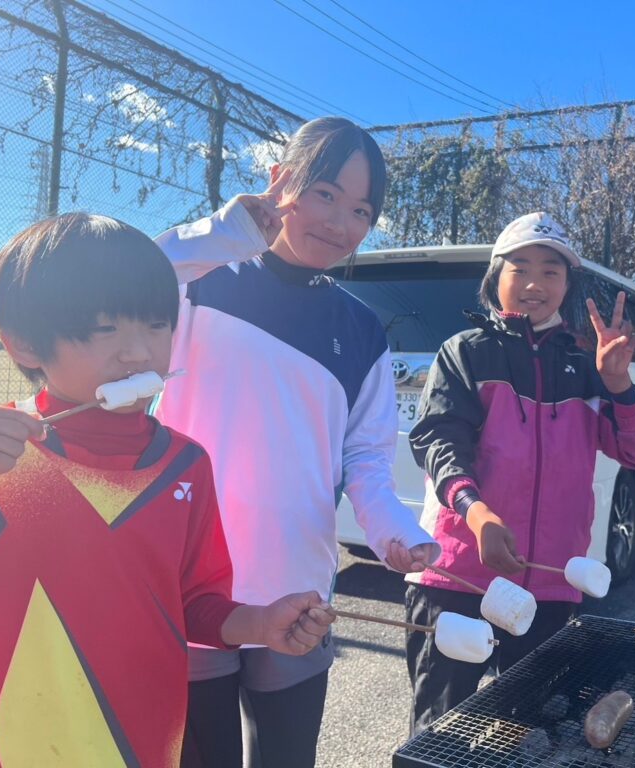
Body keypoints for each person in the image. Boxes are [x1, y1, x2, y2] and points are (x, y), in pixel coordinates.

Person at [0, 213, 335, 767]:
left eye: (156, 325)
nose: (138, 353)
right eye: (106, 329)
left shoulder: (185, 465)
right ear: (25, 344)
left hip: (137, 742)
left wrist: (259, 623)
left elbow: (197, 603)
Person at [152, 116, 439, 767]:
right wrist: (230, 229)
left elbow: (367, 463)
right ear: (280, 181)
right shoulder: (202, 280)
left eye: (362, 209)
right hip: (186, 583)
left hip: (299, 595)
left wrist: (396, 530)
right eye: (326, 194)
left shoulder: (363, 331)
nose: (341, 222)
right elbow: (131, 280)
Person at [403, 211, 635, 734]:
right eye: (519, 267)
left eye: (551, 271)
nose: (534, 283)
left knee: (531, 735)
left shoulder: (591, 366)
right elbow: (438, 440)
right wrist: (477, 515)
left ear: (567, 285)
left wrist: (618, 385)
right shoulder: (466, 352)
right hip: (458, 573)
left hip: (549, 588)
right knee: (437, 735)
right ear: (495, 277)